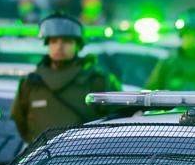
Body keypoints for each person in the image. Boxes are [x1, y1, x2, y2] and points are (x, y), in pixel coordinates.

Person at [11, 13, 121, 143]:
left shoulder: (98, 79)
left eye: (67, 41)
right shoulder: (31, 82)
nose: (59, 46)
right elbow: (20, 120)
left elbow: (118, 121)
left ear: (78, 45)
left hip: (89, 158)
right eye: (53, 41)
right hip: (43, 158)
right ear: (47, 44)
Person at [146, 10, 195, 91]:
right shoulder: (169, 63)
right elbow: (151, 93)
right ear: (182, 36)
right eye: (188, 34)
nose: (192, 39)